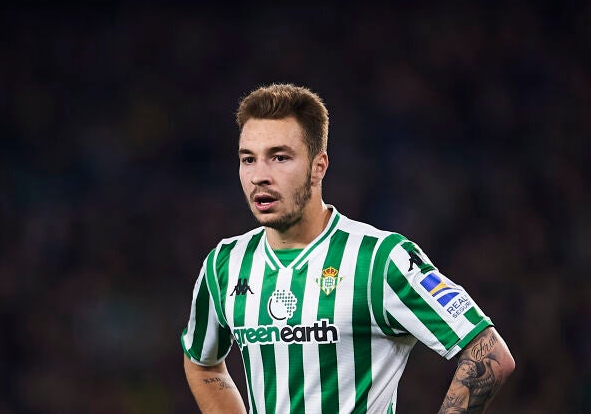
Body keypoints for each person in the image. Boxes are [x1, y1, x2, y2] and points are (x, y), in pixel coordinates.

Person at [180, 83, 515, 413]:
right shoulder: (225, 265)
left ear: (318, 167)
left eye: (279, 157)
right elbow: (202, 363)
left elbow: (490, 353)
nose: (259, 176)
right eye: (249, 159)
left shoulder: (380, 259)